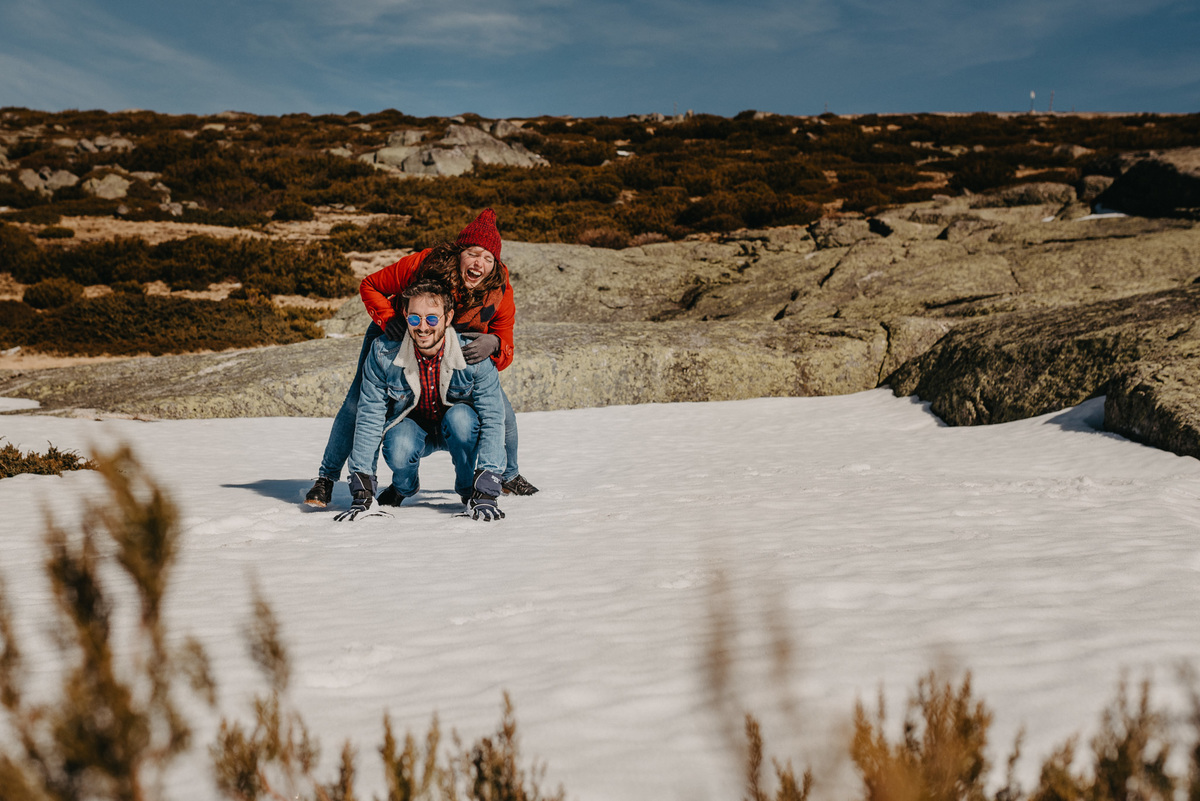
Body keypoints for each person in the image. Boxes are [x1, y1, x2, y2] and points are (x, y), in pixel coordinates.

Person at [304, 208, 537, 507]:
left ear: (495, 265)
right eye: (472, 253)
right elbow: (370, 285)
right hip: (400, 330)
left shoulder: (499, 291)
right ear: (458, 253)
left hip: (452, 344)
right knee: (357, 403)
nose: (479, 262)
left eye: (488, 258)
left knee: (501, 411)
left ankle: (509, 475)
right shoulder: (423, 263)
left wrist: (494, 343)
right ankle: (326, 477)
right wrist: (389, 319)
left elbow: (506, 348)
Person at [333, 279, 507, 522]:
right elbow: (369, 418)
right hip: (412, 429)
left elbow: (493, 420)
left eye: (432, 318)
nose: (423, 327)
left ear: (448, 317)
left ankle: (470, 492)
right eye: (415, 318)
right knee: (399, 445)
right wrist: (362, 490)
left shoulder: (473, 354)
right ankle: (403, 488)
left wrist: (487, 490)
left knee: (462, 419)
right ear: (405, 315)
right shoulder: (383, 353)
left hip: (457, 428)